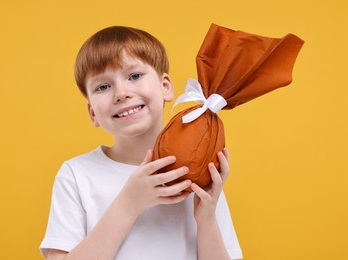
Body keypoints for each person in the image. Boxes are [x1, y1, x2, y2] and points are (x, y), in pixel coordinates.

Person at [40, 26, 242, 260]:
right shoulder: (76, 175)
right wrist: (128, 204)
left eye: (134, 76)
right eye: (103, 87)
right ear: (92, 113)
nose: (121, 93)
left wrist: (206, 217)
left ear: (165, 87)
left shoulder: (200, 174)